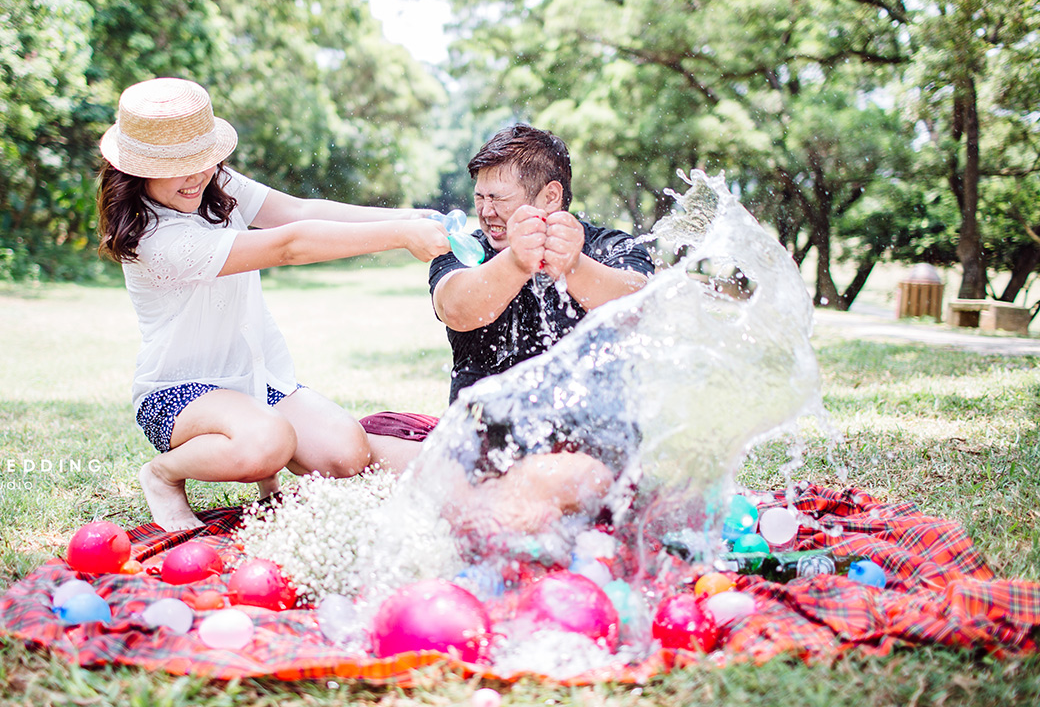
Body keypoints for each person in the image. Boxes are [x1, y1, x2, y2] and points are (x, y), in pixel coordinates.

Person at [96, 77, 450, 531]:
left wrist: (407, 217)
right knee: (269, 440)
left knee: (347, 453)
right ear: (138, 168)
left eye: (204, 159)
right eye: (178, 165)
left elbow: (299, 212)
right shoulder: (157, 239)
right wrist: (398, 237)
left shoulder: (210, 185)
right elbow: (289, 245)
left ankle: (267, 450)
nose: (198, 175)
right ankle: (162, 474)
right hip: (179, 394)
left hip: (258, 383)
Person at [362, 124, 655, 530]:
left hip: (577, 452)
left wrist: (574, 267)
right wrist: (516, 262)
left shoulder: (608, 247)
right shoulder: (465, 250)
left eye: (499, 198)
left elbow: (639, 307)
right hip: (480, 447)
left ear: (550, 196)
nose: (486, 211)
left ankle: (479, 508)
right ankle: (490, 504)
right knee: (357, 443)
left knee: (579, 475)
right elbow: (456, 308)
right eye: (480, 197)